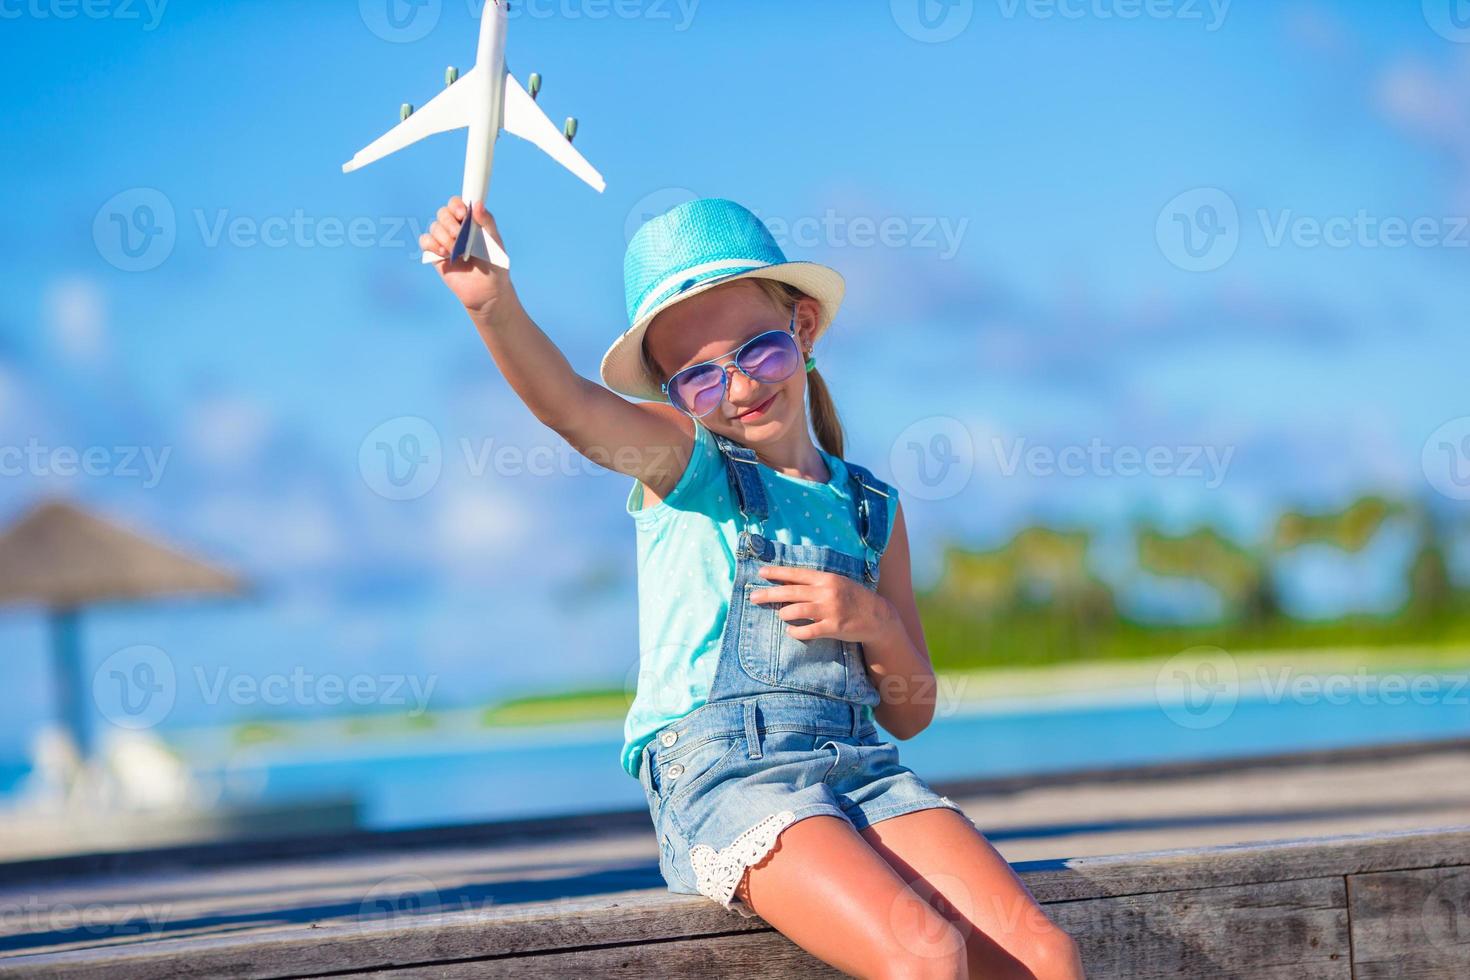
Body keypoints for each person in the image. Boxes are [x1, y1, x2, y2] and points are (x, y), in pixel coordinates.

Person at [420, 196, 1085, 979]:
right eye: (698, 380)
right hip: (728, 775)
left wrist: (871, 619)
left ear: (803, 331)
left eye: (758, 352)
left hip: (862, 768)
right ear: (673, 398)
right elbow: (572, 407)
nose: (736, 389)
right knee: (927, 955)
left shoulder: (871, 509)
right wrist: (493, 305)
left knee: (1045, 955)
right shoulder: (689, 466)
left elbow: (909, 708)